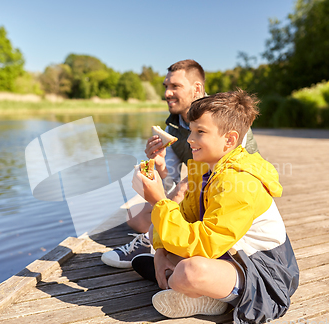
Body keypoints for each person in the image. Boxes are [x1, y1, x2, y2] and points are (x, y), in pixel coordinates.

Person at [131, 90, 299, 324]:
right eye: (191, 130)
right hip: (227, 253)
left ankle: (206, 295)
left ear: (229, 140)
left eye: (200, 132)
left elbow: (206, 244)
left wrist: (159, 202)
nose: (189, 139)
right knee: (154, 232)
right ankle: (187, 283)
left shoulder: (239, 182)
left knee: (190, 271)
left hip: (263, 273)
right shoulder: (204, 170)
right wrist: (159, 250)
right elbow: (186, 219)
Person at [101, 59, 258, 268]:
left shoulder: (223, 116)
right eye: (166, 86)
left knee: (184, 187)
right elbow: (168, 183)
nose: (167, 93)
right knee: (133, 216)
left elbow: (241, 170)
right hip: (198, 195)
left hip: (230, 194)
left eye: (175, 86)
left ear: (197, 88)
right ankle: (165, 239)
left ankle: (151, 244)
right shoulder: (173, 126)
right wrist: (160, 165)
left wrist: (187, 184)